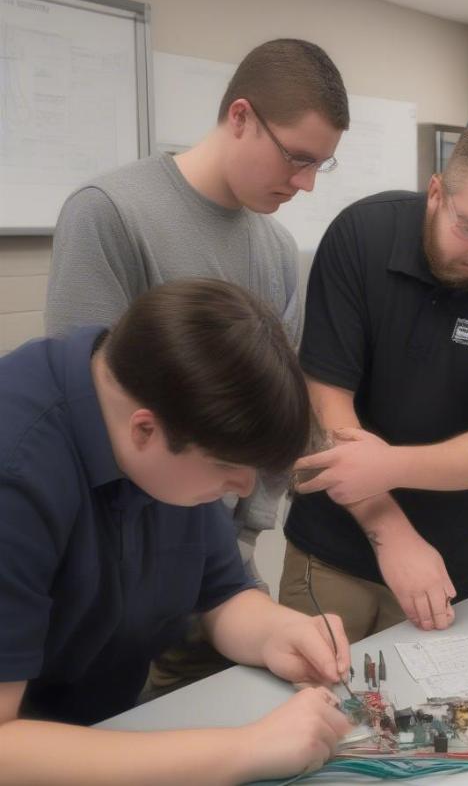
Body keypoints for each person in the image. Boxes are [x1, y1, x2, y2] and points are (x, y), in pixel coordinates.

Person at [44, 37, 348, 688]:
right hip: (119, 565)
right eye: (296, 157)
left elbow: (272, 417)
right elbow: (88, 423)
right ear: (240, 116)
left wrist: (242, 539)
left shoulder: (275, 249)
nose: (303, 183)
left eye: (321, 165)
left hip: (218, 562)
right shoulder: (111, 213)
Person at [0, 279, 351, 784]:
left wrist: (278, 632)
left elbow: (222, 593)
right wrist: (245, 749)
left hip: (112, 728)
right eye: (228, 466)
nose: (244, 486)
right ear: (145, 430)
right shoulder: (17, 474)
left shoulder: (168, 404)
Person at [281, 122, 468, 643]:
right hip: (335, 545)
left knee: (429, 716)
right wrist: (391, 535)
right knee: (315, 700)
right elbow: (327, 406)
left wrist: (390, 465)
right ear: (436, 193)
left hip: (451, 563)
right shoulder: (361, 236)